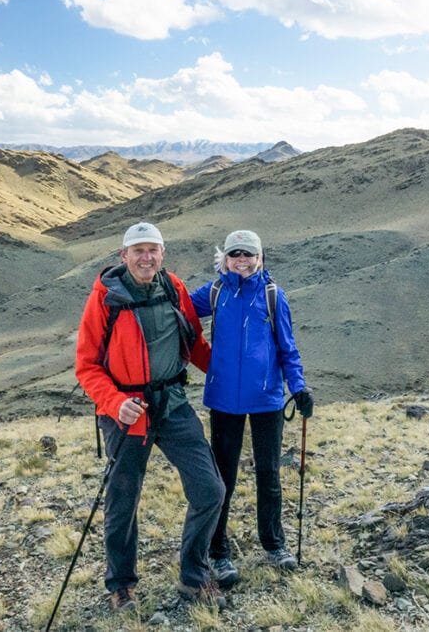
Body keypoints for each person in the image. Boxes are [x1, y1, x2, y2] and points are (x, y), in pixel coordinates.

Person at [75, 221, 227, 613]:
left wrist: (236, 379)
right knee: (123, 500)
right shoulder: (106, 298)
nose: (146, 257)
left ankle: (194, 577)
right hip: (127, 413)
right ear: (123, 256)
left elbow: (194, 343)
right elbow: (87, 366)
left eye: (152, 250)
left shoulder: (172, 287)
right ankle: (121, 585)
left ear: (163, 254)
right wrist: (114, 403)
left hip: (173, 403)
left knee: (210, 489)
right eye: (138, 250)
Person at [190, 229, 314, 589]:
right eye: (235, 254)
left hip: (266, 400)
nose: (242, 260)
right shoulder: (213, 293)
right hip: (224, 399)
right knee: (222, 479)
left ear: (261, 258)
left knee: (269, 475)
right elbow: (176, 306)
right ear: (225, 259)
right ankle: (218, 551)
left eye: (249, 254)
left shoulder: (274, 296)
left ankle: (274, 544)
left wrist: (299, 387)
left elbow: (288, 350)